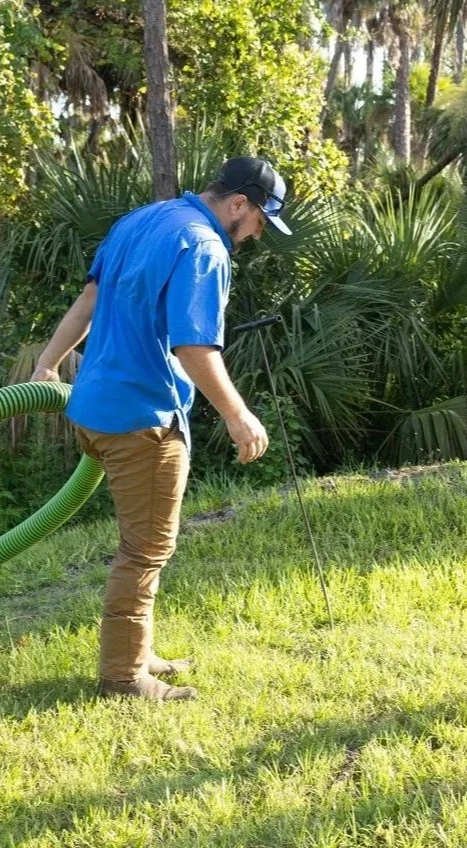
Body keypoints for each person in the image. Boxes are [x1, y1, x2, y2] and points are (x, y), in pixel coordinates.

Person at [31, 156, 292, 701]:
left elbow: (89, 300)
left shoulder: (144, 220)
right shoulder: (204, 246)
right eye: (260, 221)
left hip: (95, 410)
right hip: (142, 421)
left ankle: (139, 651)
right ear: (239, 204)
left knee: (142, 542)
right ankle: (124, 678)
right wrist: (237, 413)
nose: (257, 234)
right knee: (145, 550)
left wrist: (47, 364)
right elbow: (191, 345)